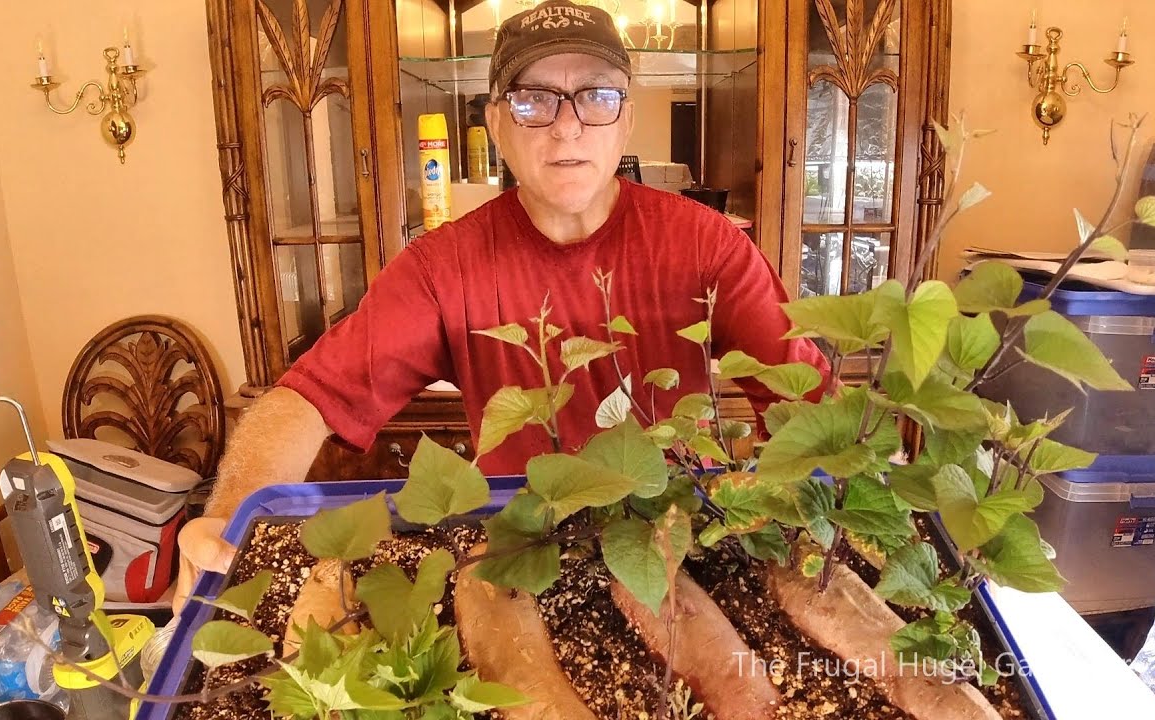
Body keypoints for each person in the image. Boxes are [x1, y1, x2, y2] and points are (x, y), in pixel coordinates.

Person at [174, 0, 830, 609]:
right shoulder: (446, 266)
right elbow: (309, 397)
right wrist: (226, 521)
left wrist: (830, 516)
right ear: (494, 121)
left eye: (596, 96)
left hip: (680, 548)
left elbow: (803, 403)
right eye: (533, 99)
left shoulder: (703, 244)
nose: (567, 125)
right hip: (526, 556)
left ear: (625, 117)